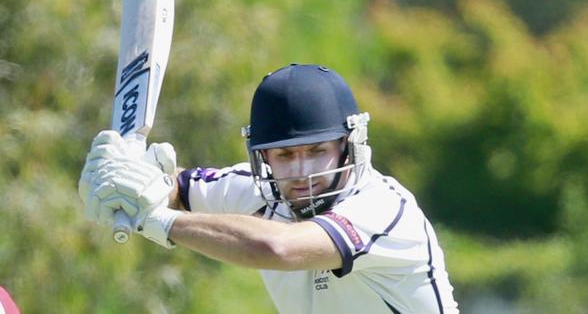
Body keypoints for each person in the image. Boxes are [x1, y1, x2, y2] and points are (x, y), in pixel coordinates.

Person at [79, 63, 459, 314]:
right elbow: (179, 187)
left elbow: (277, 247)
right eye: (284, 155)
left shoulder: (383, 209)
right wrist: (130, 175)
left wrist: (157, 220)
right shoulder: (258, 192)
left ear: (351, 144)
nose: (301, 171)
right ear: (262, 157)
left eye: (317, 151)